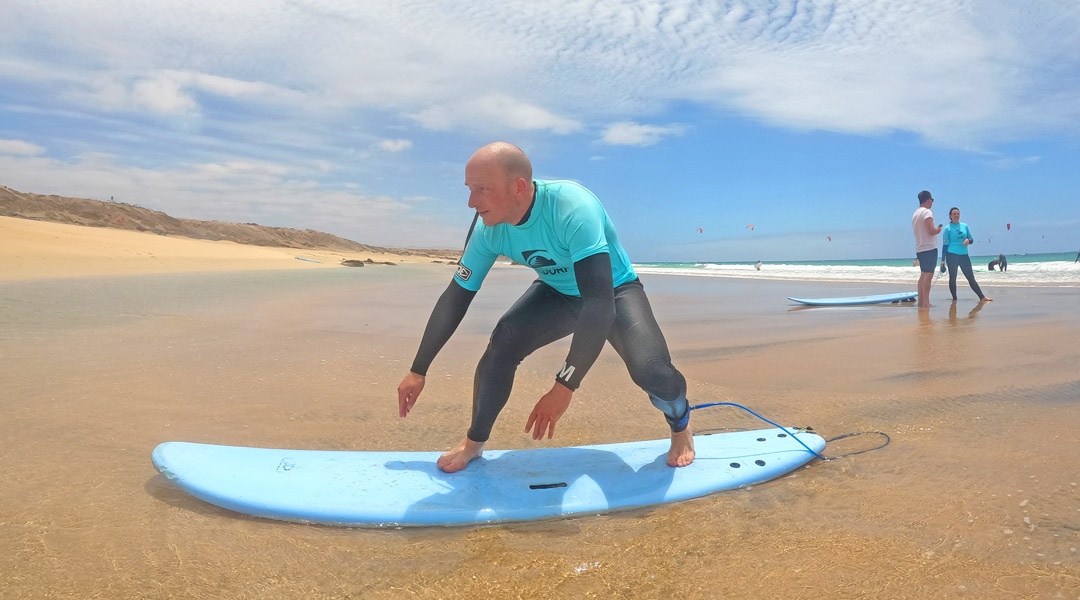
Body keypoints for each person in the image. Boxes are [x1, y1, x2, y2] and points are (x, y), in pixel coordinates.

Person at [397, 142, 695, 473]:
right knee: (503, 342)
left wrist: (563, 386)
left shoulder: (572, 207)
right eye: (470, 189)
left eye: (482, 189)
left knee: (654, 374)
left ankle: (680, 423)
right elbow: (456, 297)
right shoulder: (488, 229)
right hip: (558, 291)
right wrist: (418, 369)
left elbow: (599, 305)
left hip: (613, 290)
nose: (471, 202)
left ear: (519, 187)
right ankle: (473, 443)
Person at [940, 207, 991, 303]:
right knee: (953, 277)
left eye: (958, 213)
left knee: (970, 277)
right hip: (952, 255)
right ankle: (954, 299)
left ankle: (982, 297)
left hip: (964, 255)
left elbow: (971, 239)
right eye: (954, 214)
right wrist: (943, 261)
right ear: (950, 216)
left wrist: (968, 240)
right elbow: (945, 245)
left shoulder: (964, 226)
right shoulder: (948, 229)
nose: (956, 215)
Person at [912, 190, 942, 308]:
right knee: (928, 275)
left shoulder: (915, 214)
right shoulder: (927, 212)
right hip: (929, 247)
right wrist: (937, 230)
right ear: (929, 200)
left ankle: (921, 302)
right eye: (932, 200)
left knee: (923, 275)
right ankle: (926, 302)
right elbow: (930, 231)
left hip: (920, 247)